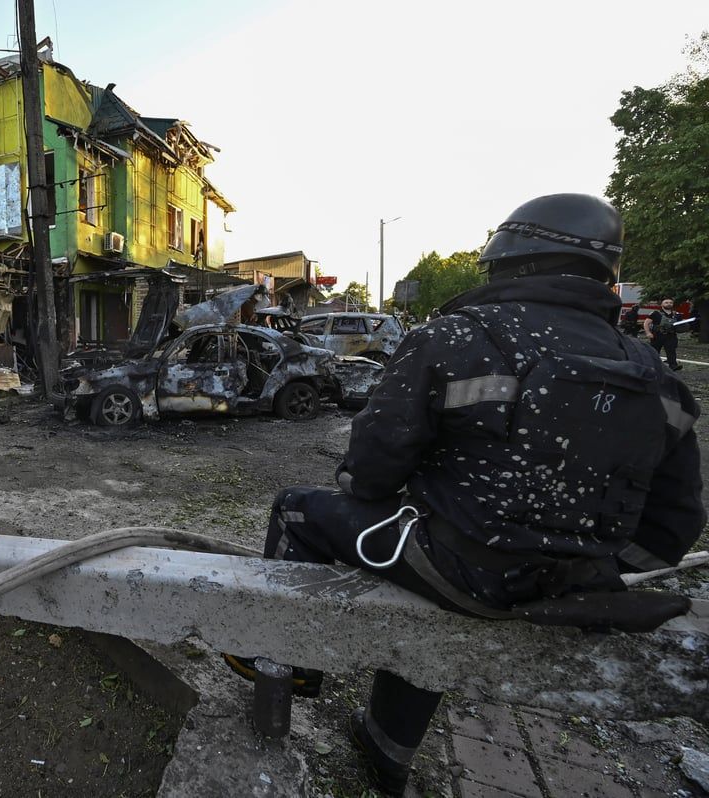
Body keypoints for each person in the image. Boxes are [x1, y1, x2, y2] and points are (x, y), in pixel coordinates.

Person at [225, 194, 704, 795]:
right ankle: (385, 753)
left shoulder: (456, 336)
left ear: (508, 259)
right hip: (581, 589)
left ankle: (281, 665)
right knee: (427, 597)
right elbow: (674, 525)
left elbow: (372, 467)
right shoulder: (654, 373)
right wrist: (584, 568)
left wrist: (380, 499)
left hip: (458, 569)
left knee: (296, 509)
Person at [644, 298, 682, 370]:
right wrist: (648, 333)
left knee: (671, 351)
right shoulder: (655, 313)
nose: (669, 304)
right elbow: (646, 323)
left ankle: (673, 366)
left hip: (671, 335)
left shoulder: (676, 314)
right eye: (666, 302)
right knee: (654, 351)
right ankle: (652, 365)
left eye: (670, 302)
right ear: (662, 304)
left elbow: (680, 325)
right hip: (657, 335)